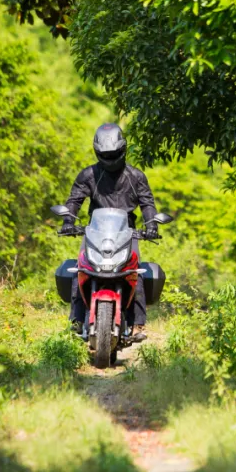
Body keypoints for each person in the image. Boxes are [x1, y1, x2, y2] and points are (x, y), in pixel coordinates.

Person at [64, 123, 158, 342]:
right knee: (81, 268)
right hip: (96, 231)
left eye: (114, 153)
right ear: (97, 151)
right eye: (106, 154)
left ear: (123, 149)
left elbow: (147, 203)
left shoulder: (136, 176)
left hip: (128, 232)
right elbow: (74, 201)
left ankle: (137, 323)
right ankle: (77, 320)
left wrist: (152, 225)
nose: (110, 157)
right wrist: (69, 221)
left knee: (135, 271)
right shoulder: (88, 175)